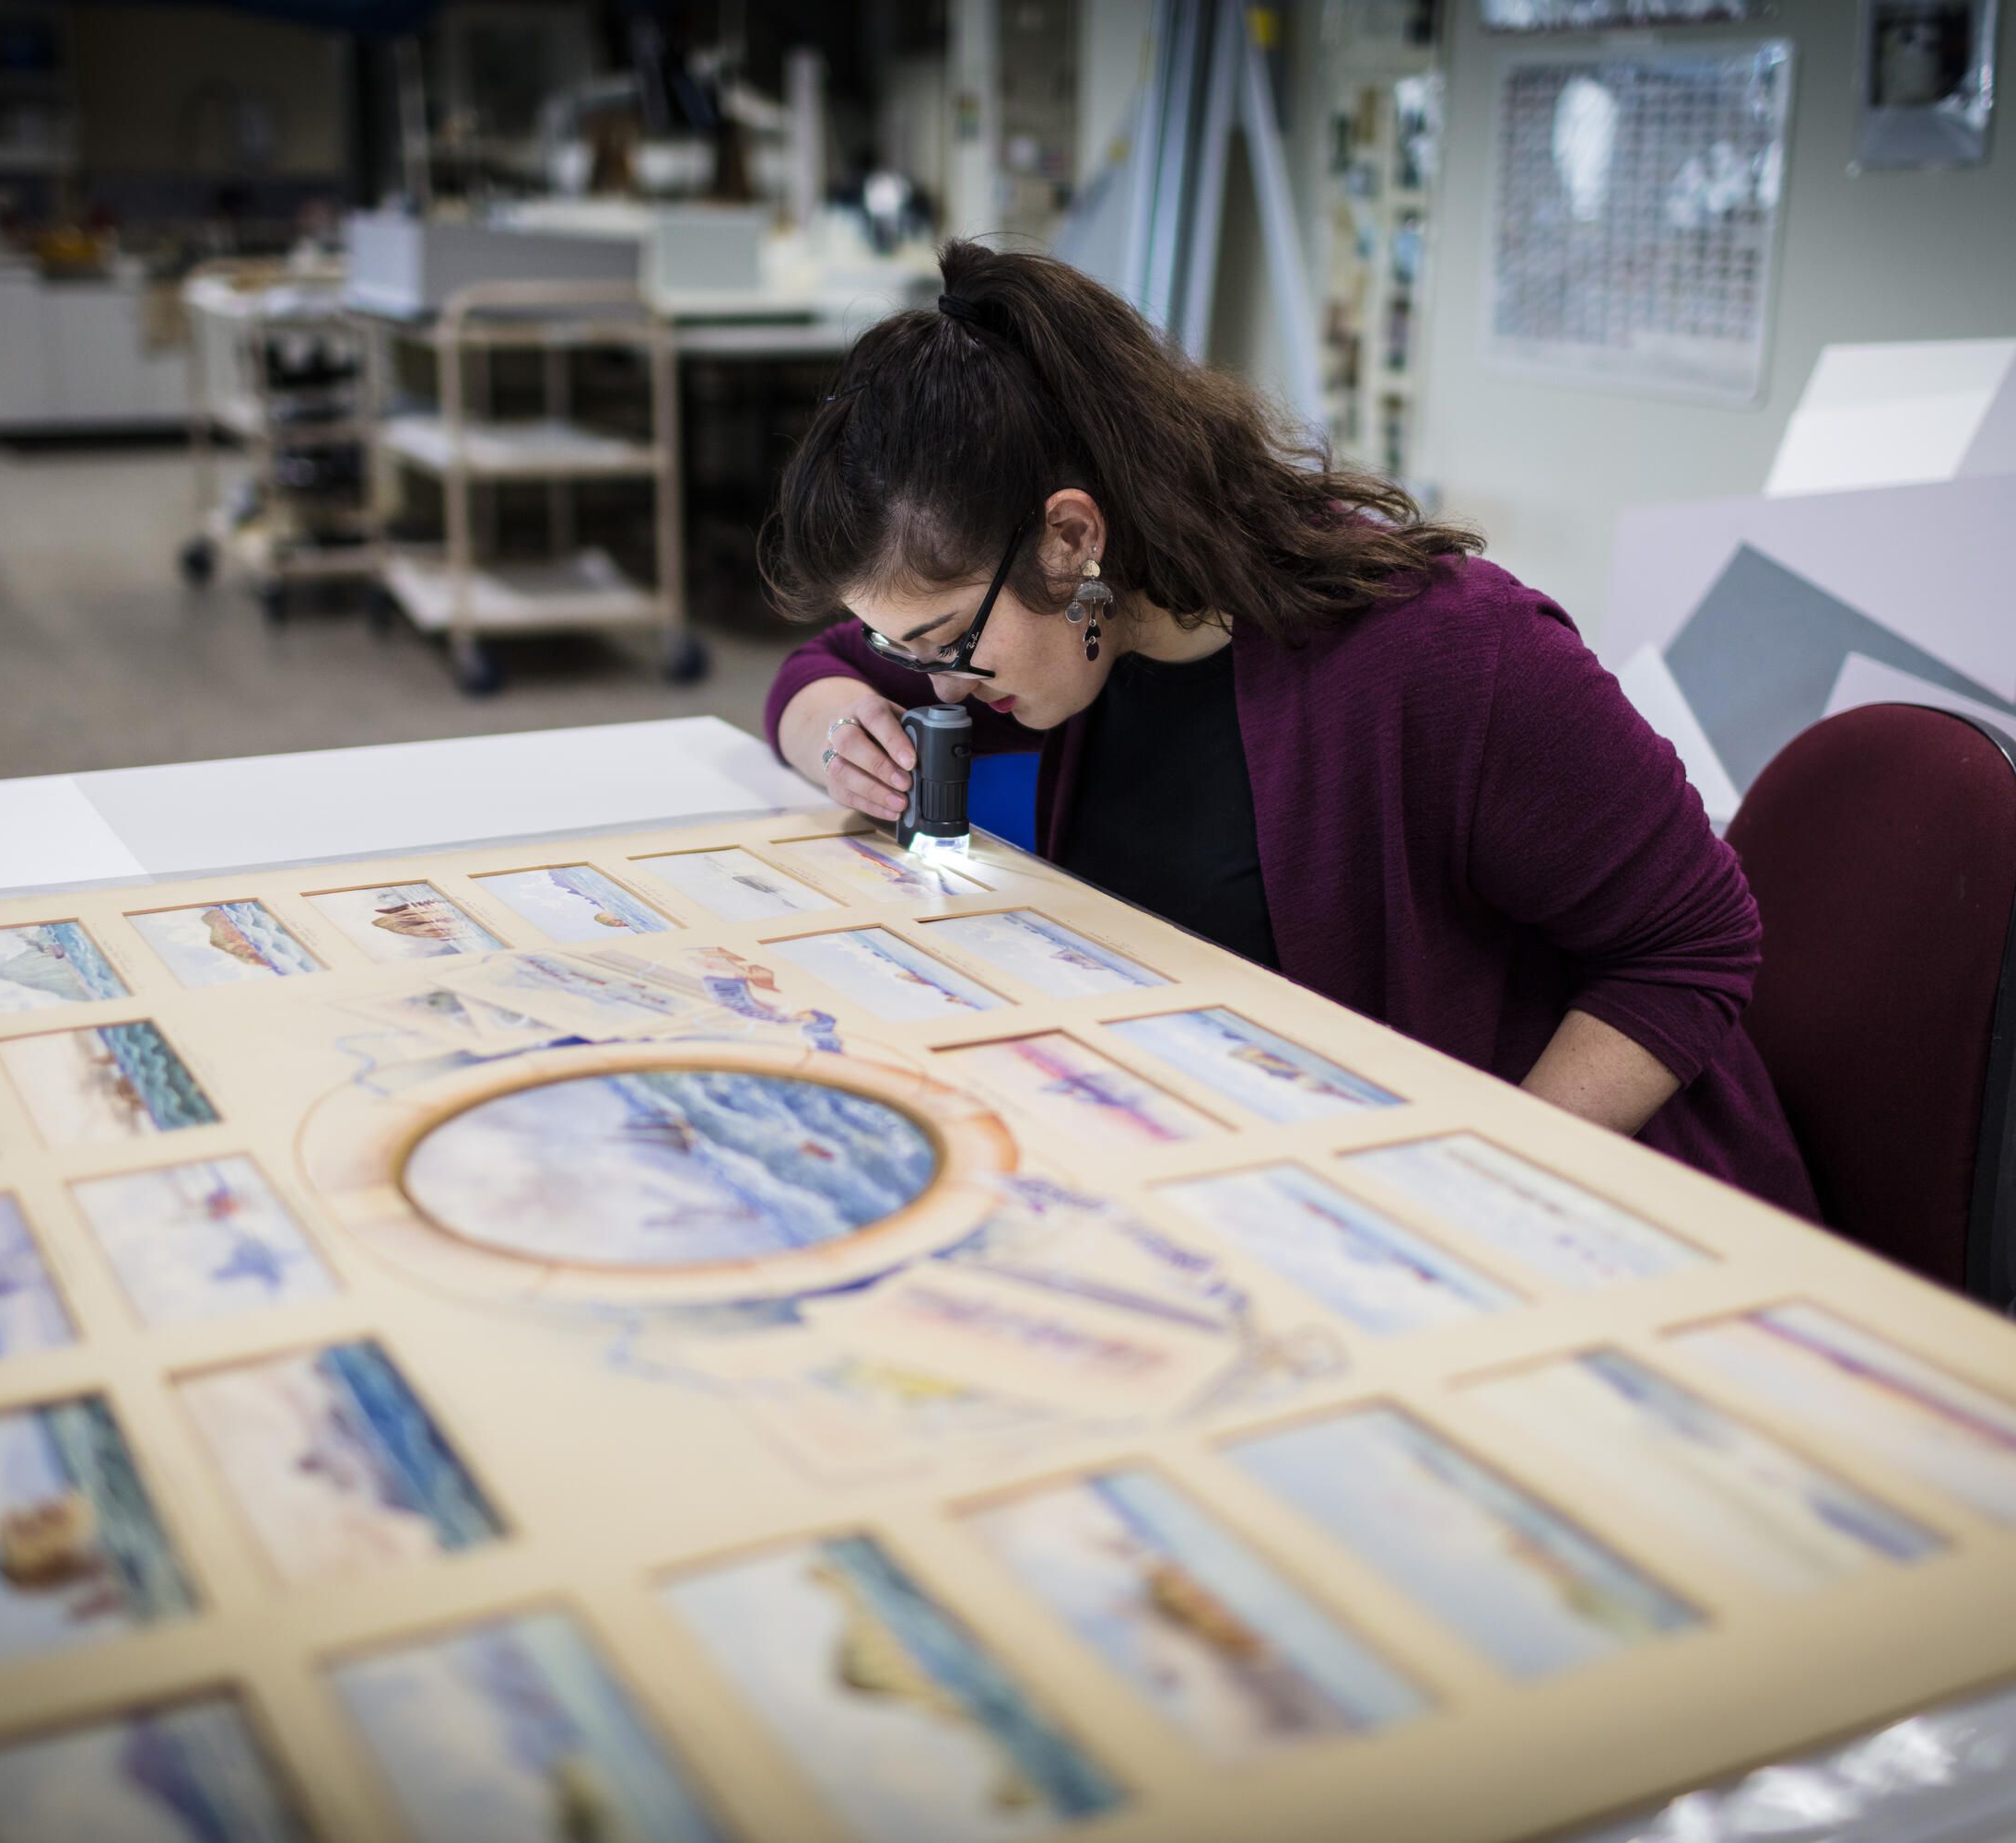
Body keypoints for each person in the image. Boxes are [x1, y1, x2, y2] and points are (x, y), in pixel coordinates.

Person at [759, 242, 1816, 1218]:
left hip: (1574, 1212)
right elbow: (821, 673)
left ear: (1072, 537)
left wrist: (1486, 1179)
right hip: (1240, 1155)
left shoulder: (1448, 654)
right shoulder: (1078, 627)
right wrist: (833, 729)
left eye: (944, 639)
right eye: (905, 647)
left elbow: (1694, 942)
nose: (937, 681)